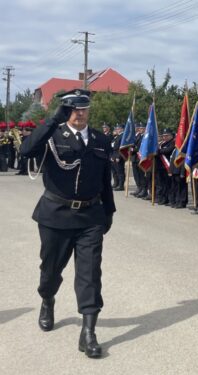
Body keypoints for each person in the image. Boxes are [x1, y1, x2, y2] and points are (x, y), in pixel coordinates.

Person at [19, 89, 116, 358]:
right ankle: (47, 299)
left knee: (90, 274)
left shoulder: (99, 139)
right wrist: (52, 120)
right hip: (55, 215)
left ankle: (88, 333)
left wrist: (109, 211)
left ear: (89, 109)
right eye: (72, 108)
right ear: (65, 110)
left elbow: (105, 178)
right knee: (51, 270)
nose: (79, 112)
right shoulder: (52, 135)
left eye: (83, 107)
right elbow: (27, 151)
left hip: (90, 217)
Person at [110, 125, 125, 190]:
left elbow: (121, 148)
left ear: (122, 129)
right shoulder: (116, 137)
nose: (116, 130)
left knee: (120, 171)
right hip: (114, 155)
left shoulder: (122, 136)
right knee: (115, 171)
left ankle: (121, 185)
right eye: (116, 129)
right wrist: (112, 156)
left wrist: (119, 156)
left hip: (118, 155)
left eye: (118, 129)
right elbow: (112, 147)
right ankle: (116, 183)